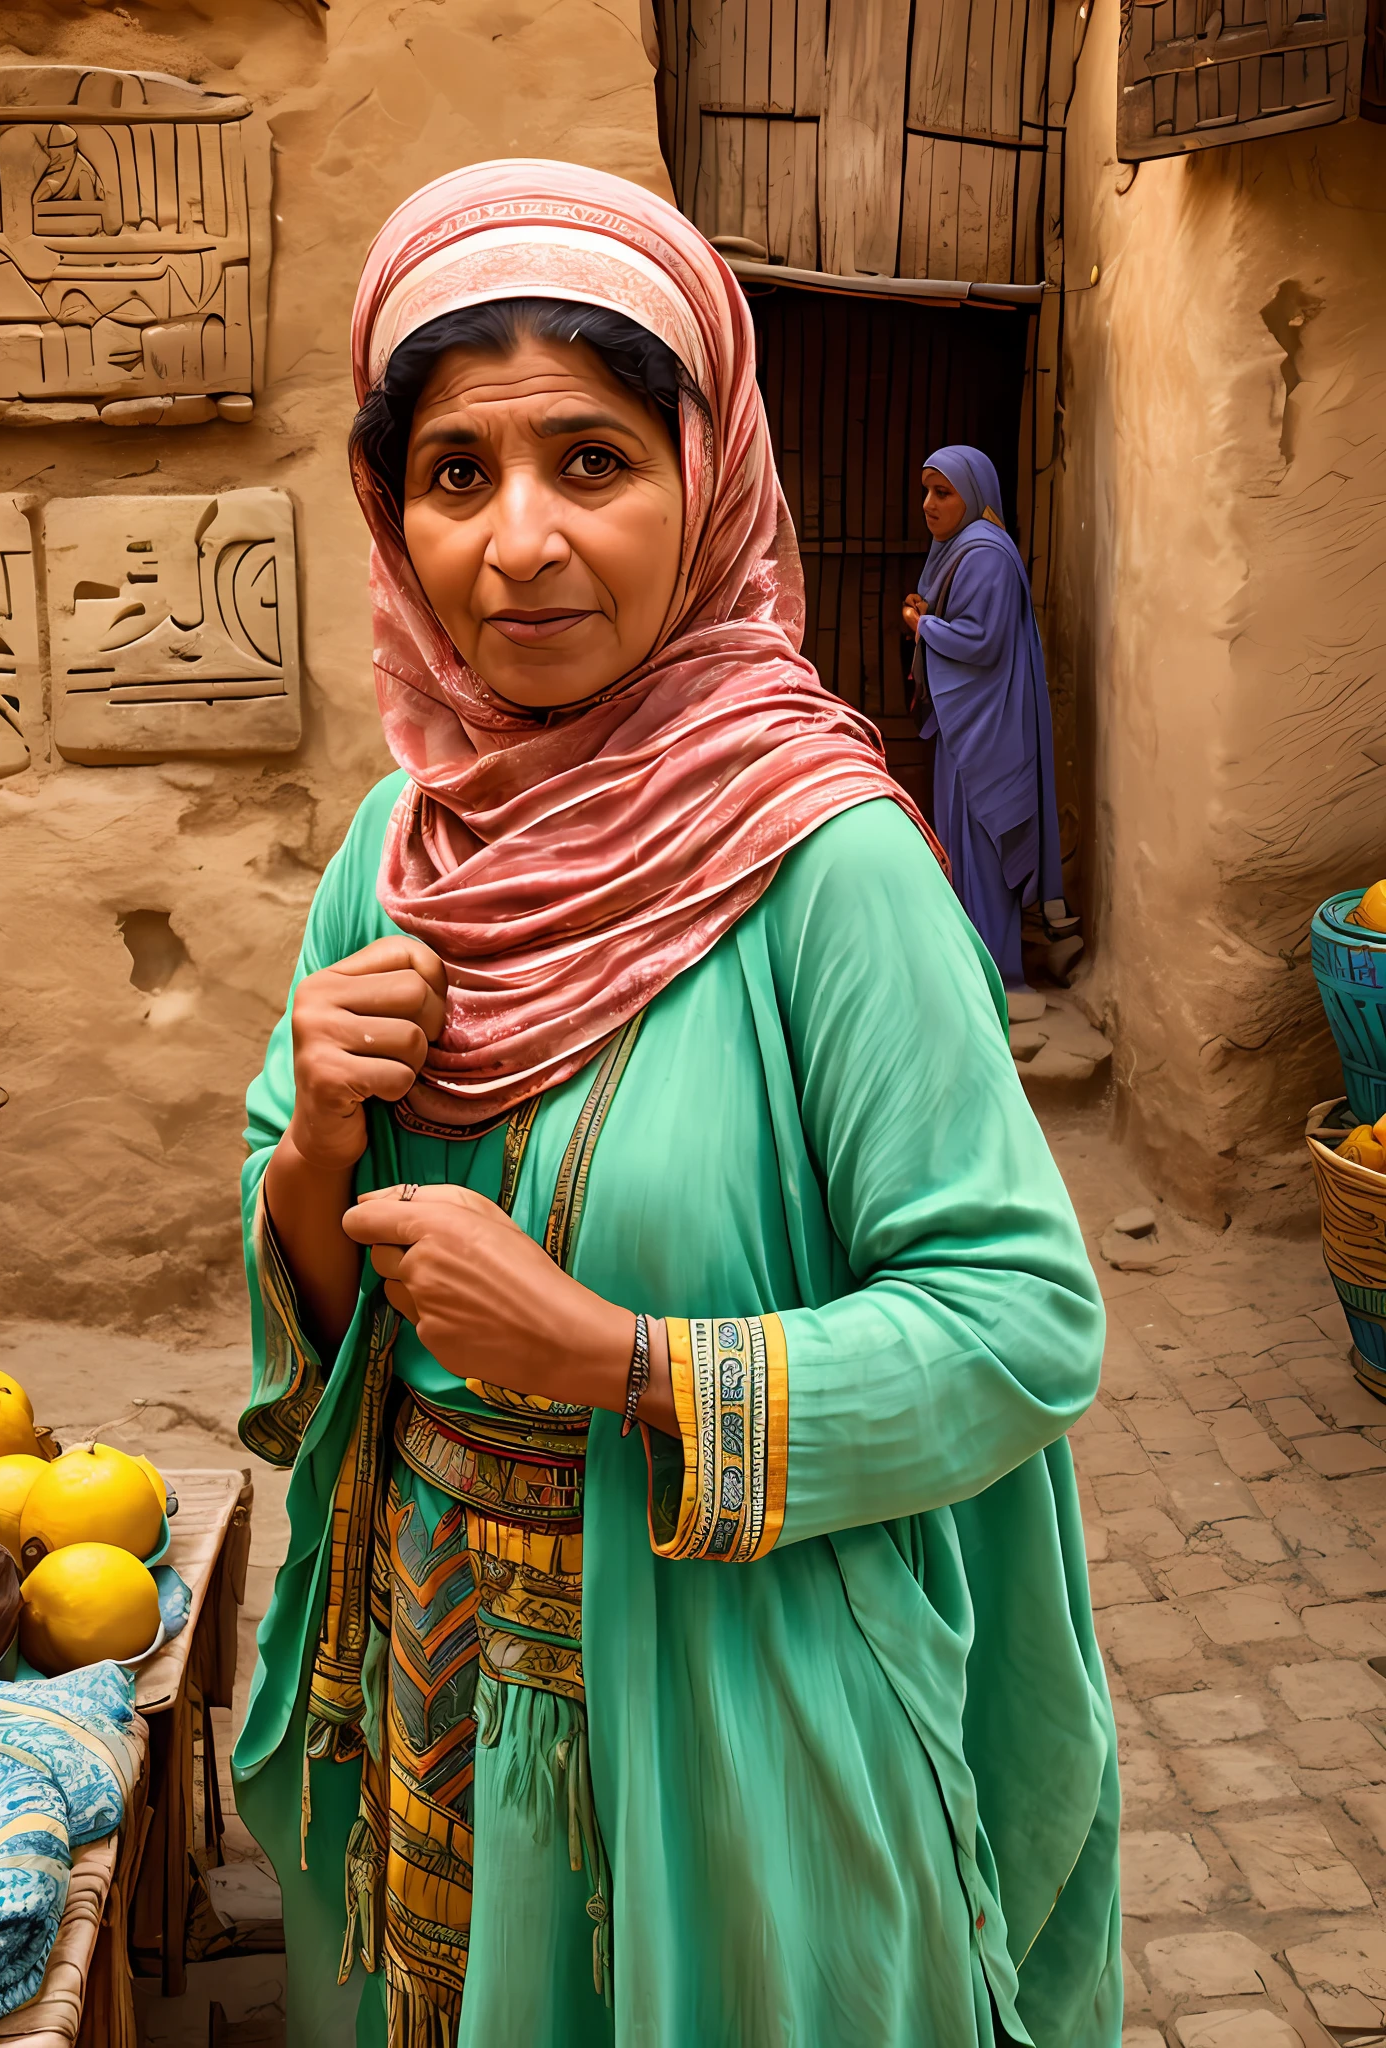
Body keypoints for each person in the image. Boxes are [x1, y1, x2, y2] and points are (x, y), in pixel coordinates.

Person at [233, 160, 1120, 2048]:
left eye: (593, 459)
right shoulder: (401, 850)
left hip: (742, 1727)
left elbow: (1022, 1325)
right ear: (395, 514)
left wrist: (618, 1356)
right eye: (457, 474)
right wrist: (314, 1140)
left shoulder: (827, 865)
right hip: (438, 1683)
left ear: (706, 481)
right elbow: (310, 1310)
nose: (521, 540)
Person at [901, 451, 1070, 995]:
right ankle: (977, 971)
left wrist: (924, 625)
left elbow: (980, 641)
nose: (929, 504)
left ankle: (998, 979)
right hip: (972, 726)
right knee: (965, 848)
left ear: (973, 495)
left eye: (942, 492)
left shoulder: (984, 556)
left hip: (987, 735)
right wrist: (929, 615)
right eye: (926, 490)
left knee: (983, 849)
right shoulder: (965, 549)